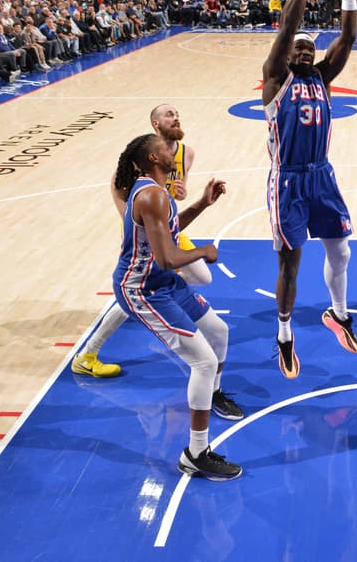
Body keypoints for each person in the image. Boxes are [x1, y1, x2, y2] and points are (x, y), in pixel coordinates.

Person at [112, 133, 242, 480]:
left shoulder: (158, 190)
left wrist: (202, 204)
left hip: (162, 282)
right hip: (143, 288)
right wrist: (203, 252)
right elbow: (169, 257)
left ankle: (211, 395)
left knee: (219, 330)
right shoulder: (152, 194)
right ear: (153, 159)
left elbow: (169, 232)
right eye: (161, 146)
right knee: (204, 361)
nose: (168, 148)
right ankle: (196, 453)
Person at [261, 0, 357, 380]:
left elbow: (349, 35)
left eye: (308, 47)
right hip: (288, 182)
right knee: (291, 262)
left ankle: (338, 312)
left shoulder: (322, 76)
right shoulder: (274, 80)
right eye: (298, 47)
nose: (303, 50)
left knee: (340, 249)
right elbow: (287, 28)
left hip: (322, 176)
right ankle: (284, 333)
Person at [72, 105, 214, 378]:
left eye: (177, 113)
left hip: (169, 228)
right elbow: (119, 187)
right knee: (140, 288)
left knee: (201, 277)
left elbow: (176, 195)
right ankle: (90, 351)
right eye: (169, 114)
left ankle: (160, 301)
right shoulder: (142, 158)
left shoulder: (187, 153)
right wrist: (132, 225)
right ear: (155, 124)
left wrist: (185, 195)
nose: (176, 116)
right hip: (146, 238)